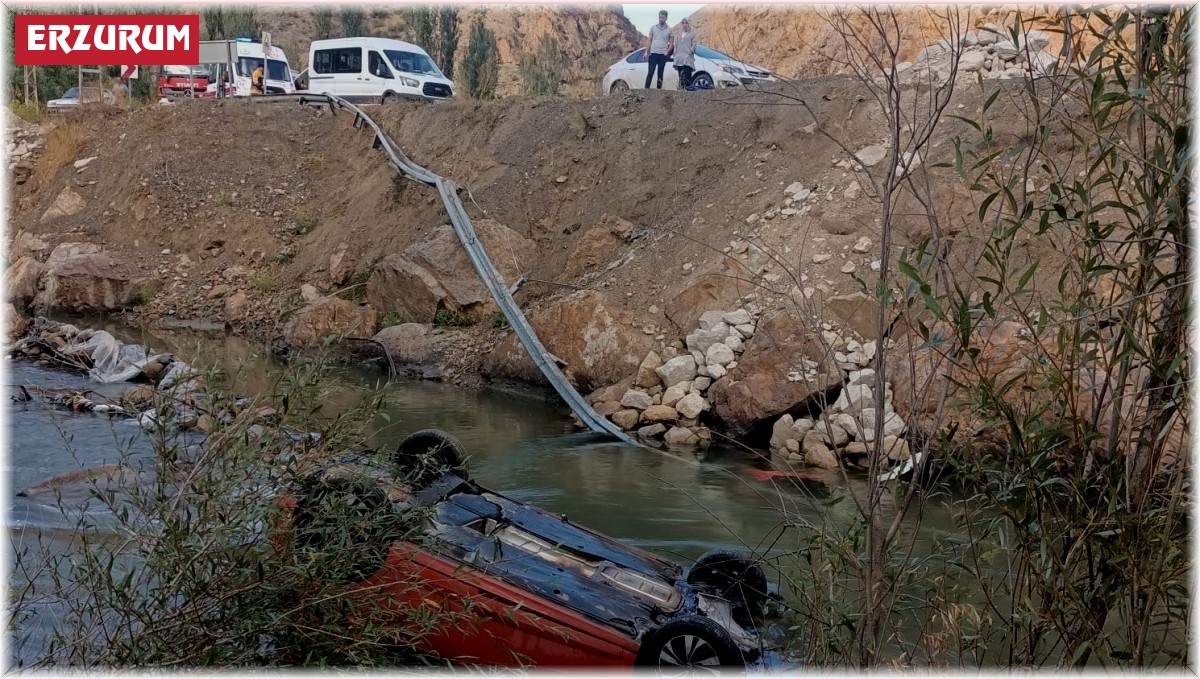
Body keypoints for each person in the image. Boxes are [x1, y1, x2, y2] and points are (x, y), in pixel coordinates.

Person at [644, 10, 673, 90]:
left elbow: (671, 44)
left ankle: (659, 92)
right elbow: (649, 40)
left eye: (663, 18)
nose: (661, 19)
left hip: (662, 55)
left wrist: (667, 52)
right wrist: (646, 52)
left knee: (660, 74)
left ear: (666, 18)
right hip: (653, 53)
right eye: (660, 17)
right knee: (650, 73)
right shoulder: (653, 28)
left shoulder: (670, 30)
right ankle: (646, 90)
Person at [673, 17, 697, 90]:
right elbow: (676, 44)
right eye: (683, 23)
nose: (684, 25)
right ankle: (681, 93)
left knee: (687, 78)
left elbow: (695, 44)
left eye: (686, 23)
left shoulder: (692, 34)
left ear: (689, 24)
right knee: (681, 78)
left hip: (687, 59)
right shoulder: (679, 34)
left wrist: (691, 51)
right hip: (679, 59)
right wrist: (675, 52)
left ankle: (689, 95)